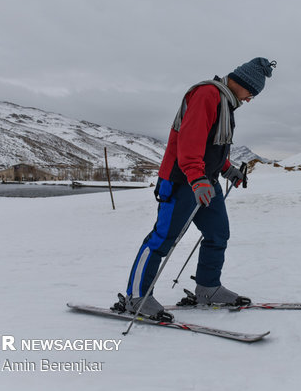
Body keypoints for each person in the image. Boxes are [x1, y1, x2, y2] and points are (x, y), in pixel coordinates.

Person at [115, 57, 276, 320]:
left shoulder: (224, 102)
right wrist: (197, 178)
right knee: (162, 238)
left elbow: (210, 146)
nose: (250, 99)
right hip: (183, 180)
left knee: (217, 234)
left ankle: (208, 288)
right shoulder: (207, 95)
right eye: (251, 92)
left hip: (204, 180)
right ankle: (137, 297)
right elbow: (190, 141)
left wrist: (226, 168)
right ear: (243, 83)